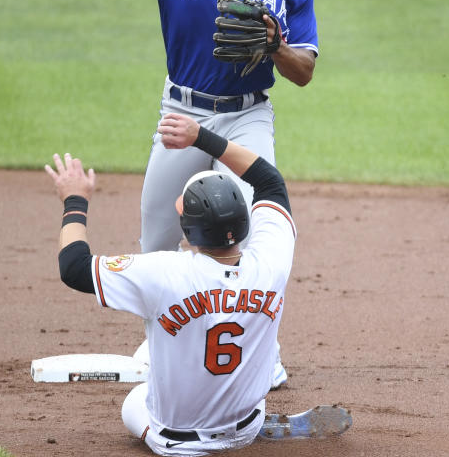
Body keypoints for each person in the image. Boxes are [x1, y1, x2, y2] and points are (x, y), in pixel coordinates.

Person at [0, 0, 318, 260]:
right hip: (182, 112)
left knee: (249, 238)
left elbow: (303, 72)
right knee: (156, 244)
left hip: (247, 118)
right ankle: (164, 324)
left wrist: (276, 47)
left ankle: (242, 321)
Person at [45, 112, 296, 456]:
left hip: (177, 442)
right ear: (246, 221)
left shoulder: (164, 272)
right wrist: (203, 137)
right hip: (246, 429)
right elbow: (270, 182)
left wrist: (74, 199)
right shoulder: (271, 260)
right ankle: (241, 417)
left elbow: (74, 267)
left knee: (136, 398)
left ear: (188, 231)